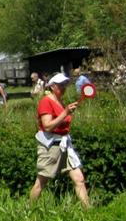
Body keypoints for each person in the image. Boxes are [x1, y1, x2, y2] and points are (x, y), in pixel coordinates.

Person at [29, 73, 91, 208]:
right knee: (41, 182)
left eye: (65, 84)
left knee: (79, 179)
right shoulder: (46, 101)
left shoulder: (60, 101)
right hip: (50, 146)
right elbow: (47, 125)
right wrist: (65, 113)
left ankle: (89, 213)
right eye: (60, 85)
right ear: (52, 86)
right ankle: (29, 211)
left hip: (64, 145)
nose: (64, 87)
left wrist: (66, 111)